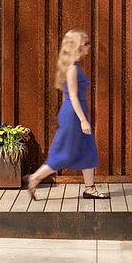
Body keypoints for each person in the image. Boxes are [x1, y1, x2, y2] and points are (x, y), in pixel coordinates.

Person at [23, 29, 108, 200]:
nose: (89, 46)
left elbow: (66, 96)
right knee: (66, 153)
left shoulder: (76, 66)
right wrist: (82, 120)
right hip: (75, 116)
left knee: (88, 149)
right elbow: (73, 97)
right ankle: (35, 178)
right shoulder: (72, 69)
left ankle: (89, 188)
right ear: (77, 45)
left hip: (74, 113)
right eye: (86, 43)